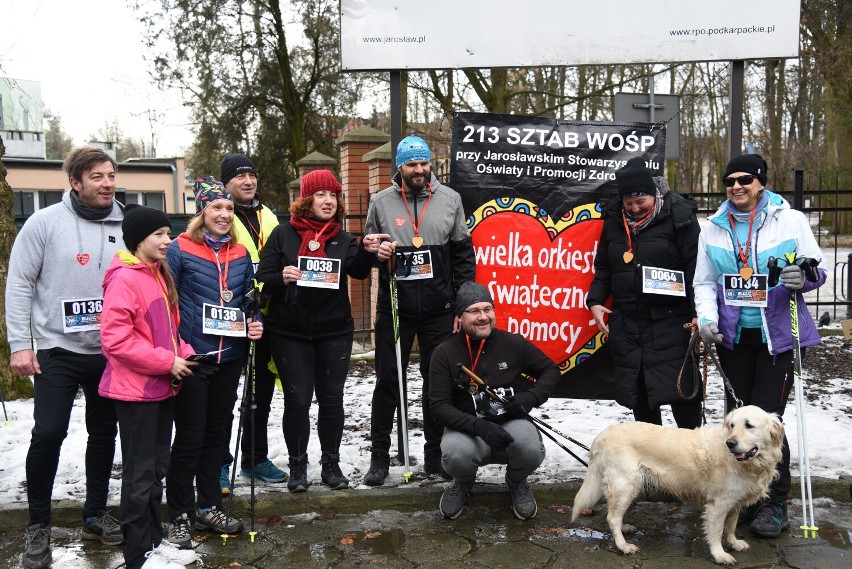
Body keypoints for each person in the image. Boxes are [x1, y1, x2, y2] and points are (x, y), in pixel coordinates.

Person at [694, 153, 827, 538]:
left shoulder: (790, 220)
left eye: (745, 180)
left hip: (779, 339)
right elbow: (704, 281)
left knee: (768, 423)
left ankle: (775, 504)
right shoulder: (713, 227)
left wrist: (802, 277)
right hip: (733, 339)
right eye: (729, 181)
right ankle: (744, 497)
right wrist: (707, 320)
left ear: (761, 183)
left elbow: (814, 267)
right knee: (738, 424)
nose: (736, 186)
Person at [6, 147, 125, 569]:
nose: (107, 183)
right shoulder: (44, 223)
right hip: (57, 348)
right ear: (75, 182)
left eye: (110, 175)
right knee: (48, 432)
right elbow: (20, 284)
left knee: (104, 432)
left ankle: (95, 512)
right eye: (97, 176)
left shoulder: (125, 223)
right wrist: (20, 345)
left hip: (110, 349)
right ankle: (37, 526)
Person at [256, 169, 391, 491]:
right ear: (306, 200)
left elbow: (358, 272)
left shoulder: (342, 238)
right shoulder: (283, 235)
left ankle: (331, 465)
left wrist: (369, 252)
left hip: (334, 332)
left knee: (332, 401)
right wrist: (282, 277)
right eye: (321, 195)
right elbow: (263, 277)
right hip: (289, 332)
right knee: (298, 401)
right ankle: (299, 467)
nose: (328, 201)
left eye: (333, 195)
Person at [363, 135, 476, 486]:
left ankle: (434, 455)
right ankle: (380, 458)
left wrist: (462, 304)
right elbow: (368, 248)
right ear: (400, 166)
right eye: (412, 164)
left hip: (439, 310)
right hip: (396, 308)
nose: (419, 170)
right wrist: (375, 252)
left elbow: (463, 257)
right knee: (387, 382)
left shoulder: (449, 199)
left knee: (436, 384)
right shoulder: (381, 202)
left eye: (423, 163)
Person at [164, 178, 263, 548]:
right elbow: (166, 302)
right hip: (194, 359)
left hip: (230, 357)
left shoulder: (239, 253)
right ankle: (177, 514)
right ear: (202, 212)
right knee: (189, 438)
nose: (224, 214)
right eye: (216, 208)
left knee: (216, 437)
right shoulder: (180, 248)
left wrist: (257, 324)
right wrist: (178, 347)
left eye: (228, 209)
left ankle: (207, 506)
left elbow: (250, 302)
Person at [99, 205, 198, 569]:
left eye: (168, 234)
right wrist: (166, 362)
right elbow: (116, 341)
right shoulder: (125, 279)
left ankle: (154, 542)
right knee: (140, 475)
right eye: (159, 234)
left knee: (156, 469)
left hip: (161, 387)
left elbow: (167, 332)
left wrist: (184, 352)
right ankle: (137, 555)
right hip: (136, 392)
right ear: (139, 239)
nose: (167, 240)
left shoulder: (157, 273)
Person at [586, 157, 703, 429]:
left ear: (655, 194)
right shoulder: (614, 221)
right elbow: (603, 267)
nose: (635, 209)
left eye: (641, 202)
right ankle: (653, 464)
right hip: (629, 324)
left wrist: (699, 313)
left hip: (672, 322)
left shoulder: (680, 217)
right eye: (629, 204)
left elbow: (697, 269)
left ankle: (692, 465)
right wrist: (595, 301)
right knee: (642, 401)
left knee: (683, 396)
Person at [429, 282, 560, 520]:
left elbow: (551, 371)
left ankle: (517, 480)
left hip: (509, 421)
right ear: (460, 316)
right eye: (474, 311)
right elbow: (439, 406)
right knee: (455, 455)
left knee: (531, 449)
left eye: (487, 309)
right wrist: (477, 426)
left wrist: (530, 397)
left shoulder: (513, 343)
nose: (483, 317)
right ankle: (464, 481)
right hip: (467, 427)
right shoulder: (444, 353)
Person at [218, 152, 286, 492]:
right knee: (224, 396)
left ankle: (255, 458)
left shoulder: (268, 215)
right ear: (226, 183)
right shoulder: (219, 214)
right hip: (229, 318)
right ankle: (217, 461)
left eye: (251, 175)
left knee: (259, 393)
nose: (248, 181)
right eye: (239, 176)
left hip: (266, 316)